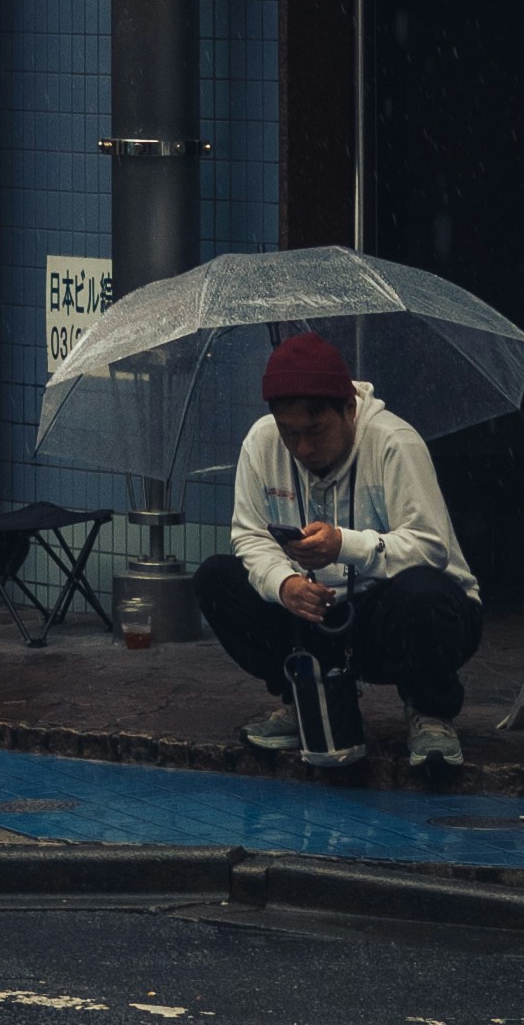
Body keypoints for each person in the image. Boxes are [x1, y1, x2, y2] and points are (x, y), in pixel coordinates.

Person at [191, 331, 484, 780]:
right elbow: (249, 537)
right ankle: (302, 697)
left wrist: (345, 545)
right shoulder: (261, 443)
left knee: (423, 591)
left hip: (395, 619)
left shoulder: (394, 443)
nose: (303, 448)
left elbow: (431, 546)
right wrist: (283, 585)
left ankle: (430, 712)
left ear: (349, 409)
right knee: (216, 578)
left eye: (315, 431)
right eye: (290, 434)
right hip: (317, 616)